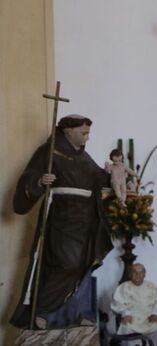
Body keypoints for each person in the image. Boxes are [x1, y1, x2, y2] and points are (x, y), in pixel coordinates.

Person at [11, 115, 112, 329]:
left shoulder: (84, 157)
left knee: (83, 264)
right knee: (66, 262)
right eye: (84, 133)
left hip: (86, 220)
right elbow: (28, 180)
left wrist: (113, 175)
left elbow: (98, 179)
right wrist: (40, 181)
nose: (87, 137)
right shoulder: (48, 152)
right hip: (61, 218)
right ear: (68, 131)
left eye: (88, 133)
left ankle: (75, 313)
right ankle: (42, 310)